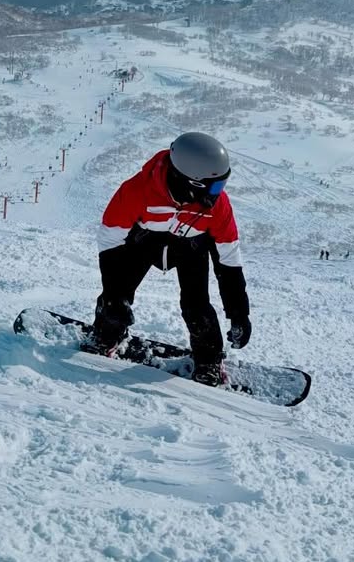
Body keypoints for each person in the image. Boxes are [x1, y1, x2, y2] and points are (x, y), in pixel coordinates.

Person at [92, 132, 250, 386]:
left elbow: (228, 258)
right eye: (215, 186)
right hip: (144, 242)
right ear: (191, 182)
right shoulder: (137, 191)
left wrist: (239, 313)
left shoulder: (217, 206)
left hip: (191, 247)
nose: (219, 193)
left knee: (196, 304)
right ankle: (106, 334)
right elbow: (110, 240)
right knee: (118, 293)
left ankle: (209, 360)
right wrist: (113, 296)